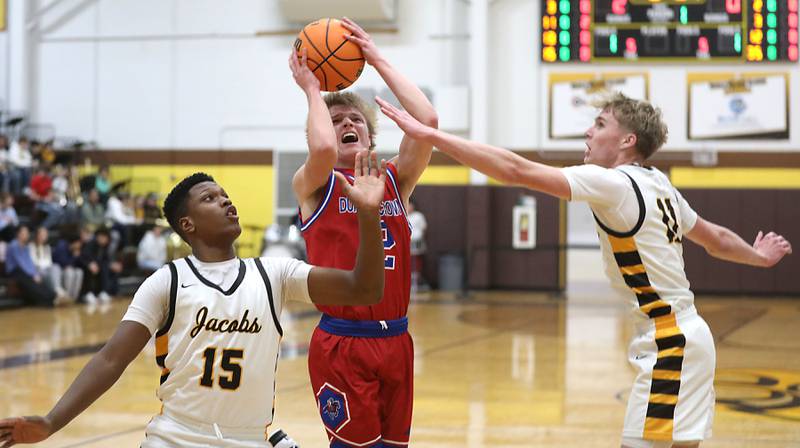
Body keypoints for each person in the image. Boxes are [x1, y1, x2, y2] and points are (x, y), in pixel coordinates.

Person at [377, 92, 793, 448]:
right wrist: (757, 258)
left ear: (628, 140)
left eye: (599, 124)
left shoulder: (613, 183)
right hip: (691, 337)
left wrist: (431, 136)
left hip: (671, 343)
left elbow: (515, 170)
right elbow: (715, 237)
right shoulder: (660, 183)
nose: (588, 132)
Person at [0, 156, 388, 447]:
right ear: (188, 225)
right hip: (175, 437)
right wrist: (51, 422)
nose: (225, 202)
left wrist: (369, 214)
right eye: (210, 198)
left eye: (226, 195)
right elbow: (110, 359)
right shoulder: (166, 281)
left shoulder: (275, 273)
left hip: (249, 438)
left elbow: (363, 290)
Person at [289, 17, 438, 447]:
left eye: (355, 118)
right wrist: (313, 90)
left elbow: (426, 117)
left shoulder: (396, 180)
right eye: (336, 120)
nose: (347, 122)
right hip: (343, 342)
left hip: (397, 340)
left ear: (371, 136)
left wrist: (376, 58)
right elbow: (321, 148)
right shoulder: (314, 184)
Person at [5, 225, 57, 307]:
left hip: (25, 271)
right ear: (18, 234)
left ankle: (51, 296)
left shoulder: (25, 247)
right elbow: (21, 263)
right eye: (24, 233)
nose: (26, 235)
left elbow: (29, 262)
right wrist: (33, 274)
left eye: (27, 233)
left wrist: (35, 273)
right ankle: (45, 300)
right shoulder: (13, 245)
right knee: (32, 284)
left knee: (41, 282)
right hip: (15, 271)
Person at [406, 200, 428, 290]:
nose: (409, 207)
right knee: (407, 259)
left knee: (416, 259)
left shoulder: (418, 216)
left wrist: (420, 238)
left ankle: (416, 279)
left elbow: (424, 228)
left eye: (410, 205)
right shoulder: (404, 214)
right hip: (407, 242)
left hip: (417, 241)